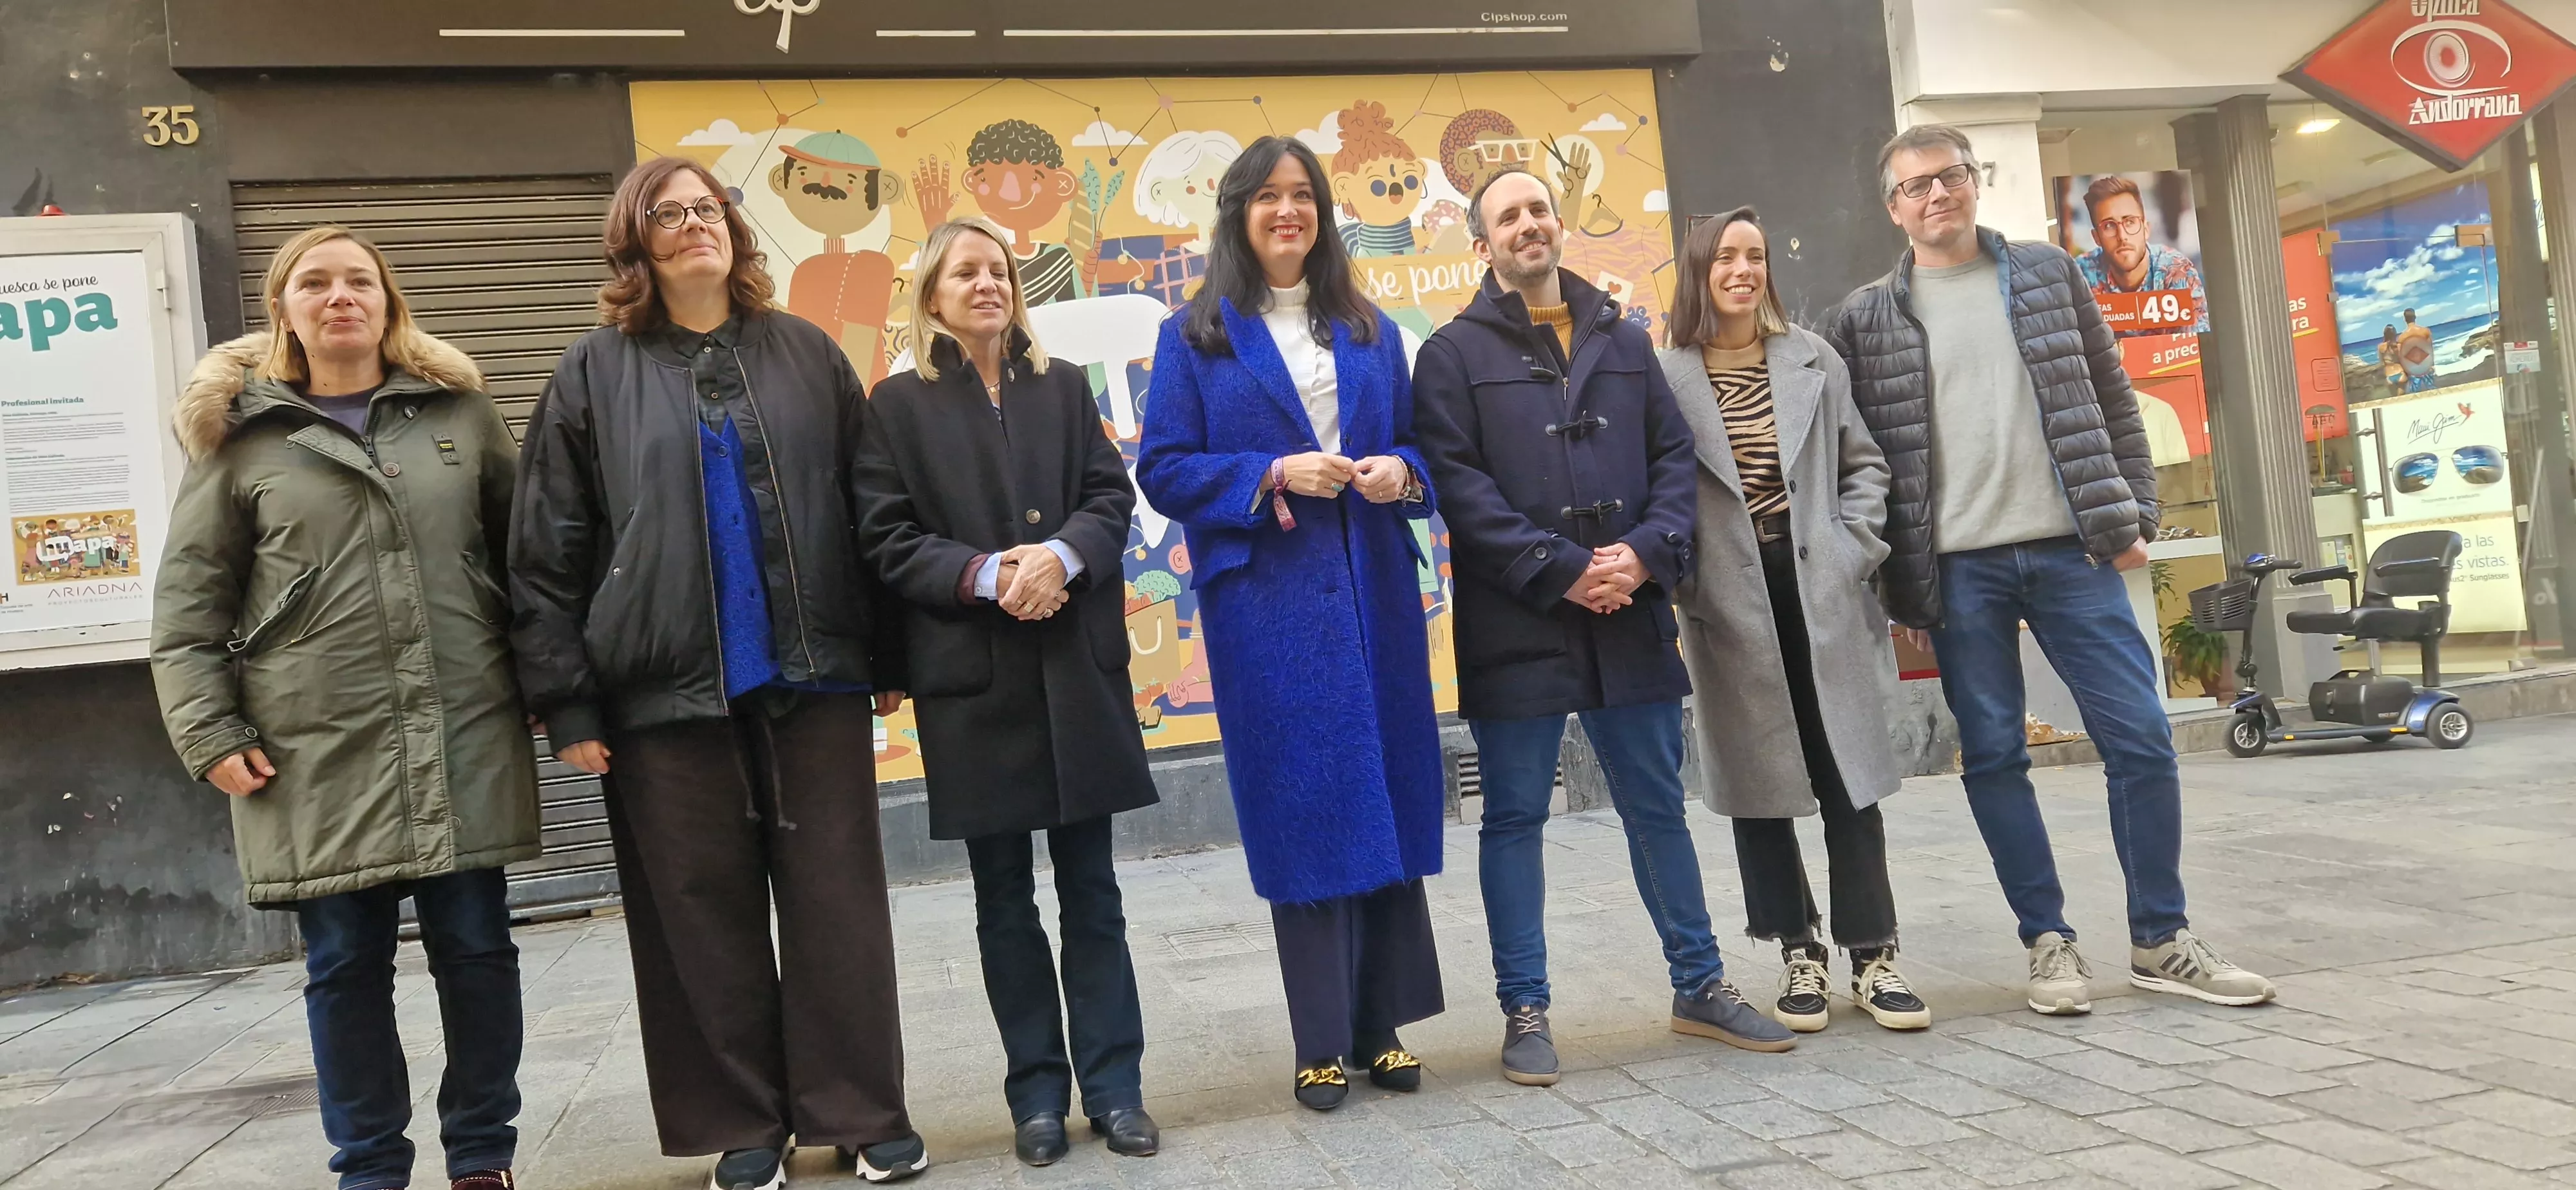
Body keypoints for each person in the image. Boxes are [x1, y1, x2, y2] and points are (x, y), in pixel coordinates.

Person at [507, 156, 927, 1189]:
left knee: (839, 905)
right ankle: (744, 1122)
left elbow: (870, 509)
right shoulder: (590, 372)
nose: (697, 225)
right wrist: (568, 701)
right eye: (670, 213)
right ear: (635, 241)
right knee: (696, 913)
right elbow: (547, 547)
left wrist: (888, 652)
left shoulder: (807, 355)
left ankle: (862, 1112)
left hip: (813, 674)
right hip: (659, 694)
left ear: (736, 233)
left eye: (710, 209)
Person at [1826, 124, 2276, 1017]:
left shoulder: (2044, 273)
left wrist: (2134, 514)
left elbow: (2113, 398)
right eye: (1915, 187)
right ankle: (2048, 942)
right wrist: (1892, 583)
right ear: (1894, 207)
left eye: (1948, 177)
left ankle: (2160, 937)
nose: (1935, 196)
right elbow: (1860, 459)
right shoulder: (1863, 316)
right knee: (1993, 756)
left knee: (2140, 737)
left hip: (2073, 551)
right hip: (1957, 572)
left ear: (1972, 182)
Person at [151, 225, 537, 1190]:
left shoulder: (461, 415)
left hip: (462, 727)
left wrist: (551, 683)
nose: (339, 298)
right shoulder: (243, 442)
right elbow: (190, 601)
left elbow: (529, 563)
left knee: (480, 953)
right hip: (311, 748)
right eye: (314, 283)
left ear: (388, 301)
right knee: (345, 971)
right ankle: (370, 1165)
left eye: (358, 281)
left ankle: (482, 1155)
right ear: (281, 309)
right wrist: (210, 729)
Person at [1412, 168, 1794, 1090]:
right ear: (1483, 242)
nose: (1528, 224)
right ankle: (1526, 1009)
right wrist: (1562, 569)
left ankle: (1699, 984)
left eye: (1539, 209)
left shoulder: (1624, 338)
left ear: (1558, 224)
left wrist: (1646, 552)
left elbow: (1675, 461)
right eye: (1508, 215)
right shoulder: (1450, 356)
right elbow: (1460, 489)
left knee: (1657, 805)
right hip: (1519, 622)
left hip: (1629, 615)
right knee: (1512, 819)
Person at [1136, 135, 1447, 1111]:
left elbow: (1419, 451)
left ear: (1322, 213)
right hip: (1267, 609)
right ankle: (1320, 1039)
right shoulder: (1196, 336)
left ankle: (1382, 1027)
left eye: (1302, 195)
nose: (1287, 211)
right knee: (1304, 803)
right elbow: (1164, 468)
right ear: (1236, 213)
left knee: (1383, 796)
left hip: (1372, 597)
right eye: (1268, 197)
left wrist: (1403, 473)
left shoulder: (1368, 330)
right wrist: (1270, 472)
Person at [851, 216, 1162, 1167]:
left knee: (1094, 892)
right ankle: (1036, 1095)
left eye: (1000, 271)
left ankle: (1115, 1089)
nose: (987, 284)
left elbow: (1112, 498)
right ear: (932, 298)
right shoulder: (895, 407)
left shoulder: (1063, 390)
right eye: (966, 273)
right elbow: (885, 535)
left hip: (1076, 673)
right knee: (1002, 901)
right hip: (972, 686)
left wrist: (1062, 558)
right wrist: (992, 574)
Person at [1654, 207, 1927, 1035]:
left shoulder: (1814, 358)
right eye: (1726, 257)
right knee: (1760, 786)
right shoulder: (1663, 378)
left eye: (1756, 256)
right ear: (1699, 270)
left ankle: (1872, 954)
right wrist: (1691, 584)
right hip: (1730, 599)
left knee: (1845, 770)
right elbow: (1654, 494)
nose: (1743, 270)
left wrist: (1852, 551)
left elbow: (1864, 465)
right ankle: (1796, 952)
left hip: (1820, 583)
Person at [2073, 175, 2208, 336]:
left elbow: (2196, 347)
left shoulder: (2176, 271)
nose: (2122, 236)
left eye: (2130, 222)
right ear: (2096, 238)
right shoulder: (2081, 275)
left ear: (2146, 229)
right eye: (2109, 226)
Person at [2397, 307, 2438, 392]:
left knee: (2415, 393)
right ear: (2415, 317)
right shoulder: (2425, 331)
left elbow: (2401, 356)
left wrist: (2406, 371)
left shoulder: (2402, 337)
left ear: (2405, 319)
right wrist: (2432, 364)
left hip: (2412, 367)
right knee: (2432, 390)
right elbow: (2430, 348)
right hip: (2426, 364)